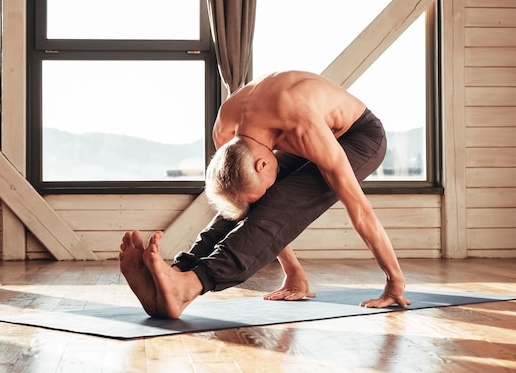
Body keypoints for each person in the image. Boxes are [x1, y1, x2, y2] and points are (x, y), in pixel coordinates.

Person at [119, 70, 410, 319]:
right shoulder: (226, 132)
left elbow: (360, 209)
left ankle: (190, 286)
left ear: (262, 164)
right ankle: (178, 273)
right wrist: (293, 271)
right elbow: (246, 205)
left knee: (280, 202)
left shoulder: (299, 126)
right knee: (238, 202)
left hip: (357, 137)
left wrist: (394, 282)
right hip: (302, 127)